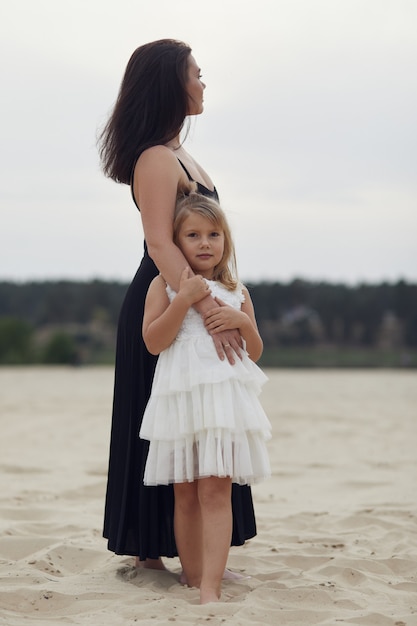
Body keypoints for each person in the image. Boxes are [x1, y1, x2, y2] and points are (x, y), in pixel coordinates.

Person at [98, 39, 258, 570]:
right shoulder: (155, 158)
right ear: (173, 83)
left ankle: (196, 552)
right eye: (197, 73)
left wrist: (219, 300)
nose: (203, 82)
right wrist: (207, 309)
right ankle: (149, 550)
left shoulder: (181, 154)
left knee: (199, 422)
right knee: (163, 424)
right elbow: (161, 243)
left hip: (197, 294)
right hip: (168, 298)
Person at [140, 192, 271, 603]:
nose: (204, 243)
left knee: (216, 492)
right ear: (176, 243)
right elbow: (153, 342)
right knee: (185, 493)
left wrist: (242, 324)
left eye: (214, 234)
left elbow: (255, 352)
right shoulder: (161, 285)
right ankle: (191, 575)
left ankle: (210, 587)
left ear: (225, 243)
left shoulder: (237, 292)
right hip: (180, 402)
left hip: (222, 407)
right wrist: (183, 299)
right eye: (193, 235)